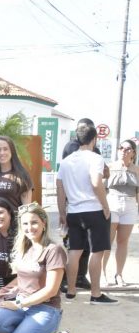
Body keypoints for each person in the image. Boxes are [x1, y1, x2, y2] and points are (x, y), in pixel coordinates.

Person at [0, 203, 75, 333]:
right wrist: (1, 292)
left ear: (43, 223)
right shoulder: (25, 247)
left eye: (34, 222)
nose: (29, 227)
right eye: (25, 223)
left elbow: (51, 290)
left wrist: (18, 304)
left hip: (45, 309)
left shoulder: (53, 250)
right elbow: (21, 278)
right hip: (23, 305)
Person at [56, 123, 118, 304]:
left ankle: (71, 291)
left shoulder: (66, 161)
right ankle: (95, 294)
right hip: (94, 210)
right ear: (94, 139)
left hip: (73, 212)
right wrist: (105, 206)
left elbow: (60, 187)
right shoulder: (95, 158)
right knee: (96, 252)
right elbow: (96, 183)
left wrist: (62, 212)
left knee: (74, 251)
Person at [60, 118, 100, 291]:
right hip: (73, 203)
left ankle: (81, 277)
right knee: (72, 245)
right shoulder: (71, 147)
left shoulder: (95, 150)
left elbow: (101, 173)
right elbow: (64, 177)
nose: (83, 131)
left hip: (91, 204)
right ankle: (67, 280)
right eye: (81, 128)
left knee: (87, 246)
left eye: (86, 128)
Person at [102, 139, 138, 286]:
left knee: (123, 242)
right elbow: (101, 189)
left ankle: (119, 274)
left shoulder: (137, 170)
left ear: (133, 153)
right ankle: (102, 274)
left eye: (128, 149)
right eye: (121, 148)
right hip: (112, 204)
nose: (124, 151)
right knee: (107, 241)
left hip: (130, 206)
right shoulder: (109, 167)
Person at [0, 136, 33, 209]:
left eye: (5, 149)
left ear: (12, 151)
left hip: (13, 216)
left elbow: (26, 207)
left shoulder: (21, 175)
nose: (2, 153)